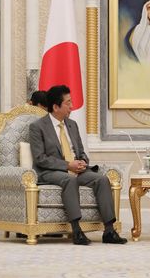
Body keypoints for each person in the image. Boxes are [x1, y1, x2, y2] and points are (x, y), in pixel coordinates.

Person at [29, 85, 127, 246]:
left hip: (77, 170)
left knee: (102, 180)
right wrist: (68, 165)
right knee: (69, 180)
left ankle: (109, 230)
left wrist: (82, 162)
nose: (72, 106)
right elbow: (40, 158)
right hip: (50, 172)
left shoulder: (72, 124)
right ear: (55, 107)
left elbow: (80, 151)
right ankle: (76, 230)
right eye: (68, 103)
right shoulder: (37, 127)